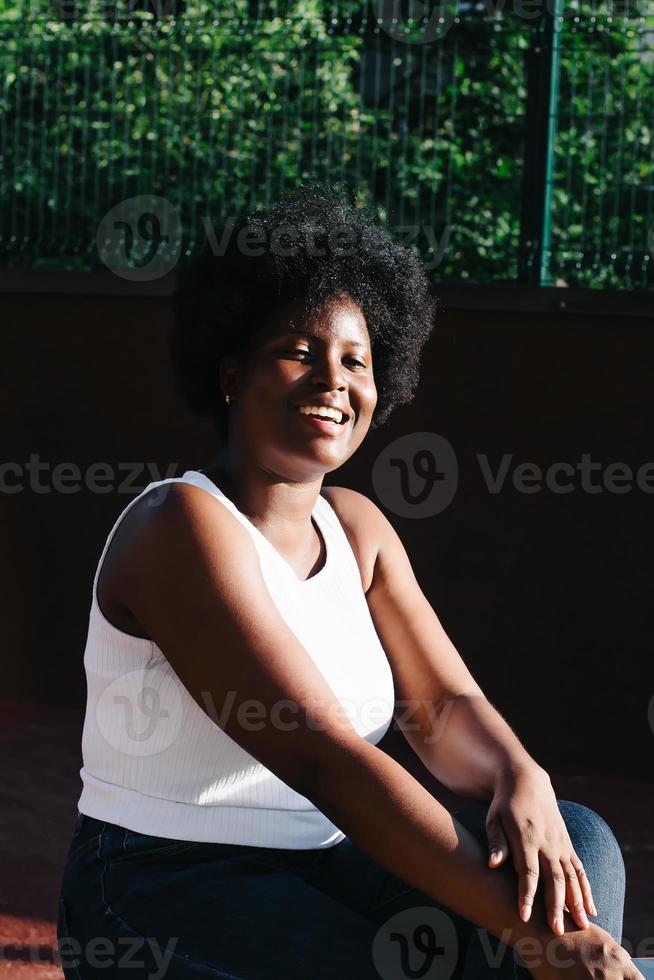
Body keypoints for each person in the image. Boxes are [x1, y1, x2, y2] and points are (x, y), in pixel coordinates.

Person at [57, 182, 638, 980]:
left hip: (335, 864)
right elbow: (322, 756)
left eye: (356, 360)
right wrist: (540, 939)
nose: (334, 378)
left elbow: (444, 711)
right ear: (231, 373)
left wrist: (517, 774)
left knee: (575, 838)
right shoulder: (180, 527)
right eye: (299, 351)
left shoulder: (357, 526)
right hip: (165, 881)